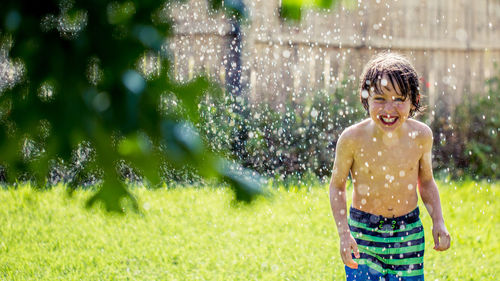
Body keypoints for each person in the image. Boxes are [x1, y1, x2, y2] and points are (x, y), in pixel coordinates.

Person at [329, 52, 451, 281]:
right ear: (366, 98)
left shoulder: (421, 136)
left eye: (399, 99)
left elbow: (425, 182)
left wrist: (438, 221)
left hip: (407, 231)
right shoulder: (352, 139)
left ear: (413, 100)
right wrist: (344, 234)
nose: (389, 109)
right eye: (380, 99)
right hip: (363, 233)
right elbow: (337, 186)